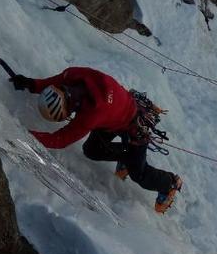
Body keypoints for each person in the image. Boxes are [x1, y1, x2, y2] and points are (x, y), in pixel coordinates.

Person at [10, 67, 182, 213]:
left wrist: (24, 133)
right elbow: (53, 81)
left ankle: (169, 183)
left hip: (134, 127)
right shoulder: (74, 76)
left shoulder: (92, 113)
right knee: (92, 149)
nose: (69, 117)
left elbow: (60, 139)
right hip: (118, 112)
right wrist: (31, 84)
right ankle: (124, 155)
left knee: (139, 174)